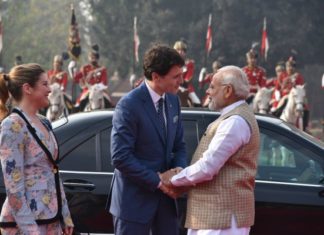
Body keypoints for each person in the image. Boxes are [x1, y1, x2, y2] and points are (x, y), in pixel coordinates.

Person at [161, 66, 260, 235]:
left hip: (222, 218)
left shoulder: (234, 121)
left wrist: (173, 179)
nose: (208, 91)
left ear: (228, 90)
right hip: (216, 216)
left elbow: (207, 167)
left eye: (213, 87)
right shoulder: (233, 118)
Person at [108, 44, 187, 235]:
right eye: (175, 76)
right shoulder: (128, 106)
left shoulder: (173, 101)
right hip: (134, 205)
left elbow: (180, 146)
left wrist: (178, 173)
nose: (181, 81)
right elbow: (120, 157)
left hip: (166, 207)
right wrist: (159, 181)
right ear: (156, 77)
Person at [0, 64, 74, 235]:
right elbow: (13, 188)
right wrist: (31, 231)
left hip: (52, 220)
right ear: (28, 88)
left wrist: (65, 215)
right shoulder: (12, 125)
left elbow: (53, 170)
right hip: (27, 225)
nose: (50, 89)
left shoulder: (44, 121)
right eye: (45, 84)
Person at [174, 40, 201, 107]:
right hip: (172, 86)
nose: (180, 52)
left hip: (186, 87)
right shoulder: (171, 64)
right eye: (178, 50)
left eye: (182, 50)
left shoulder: (189, 64)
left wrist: (184, 82)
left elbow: (188, 77)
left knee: (197, 102)